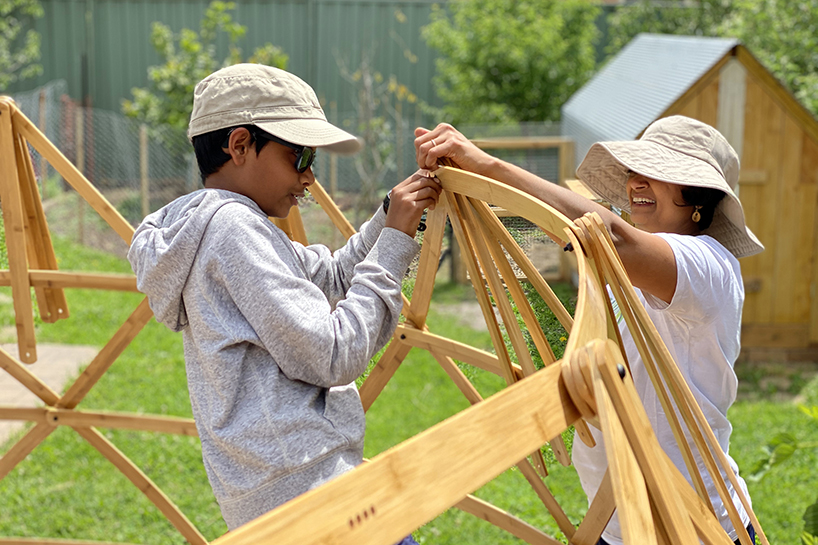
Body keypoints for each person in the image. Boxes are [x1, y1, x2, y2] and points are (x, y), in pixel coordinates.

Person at [414, 116, 763, 545]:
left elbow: (605, 235)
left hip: (695, 525)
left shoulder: (707, 264)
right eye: (637, 170)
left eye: (658, 174)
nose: (638, 182)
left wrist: (490, 167)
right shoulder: (637, 268)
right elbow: (586, 238)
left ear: (698, 198)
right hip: (619, 524)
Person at [128, 63, 440, 539]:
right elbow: (334, 353)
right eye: (300, 155)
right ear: (239, 146)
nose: (310, 176)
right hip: (311, 500)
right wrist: (397, 238)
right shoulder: (233, 231)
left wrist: (387, 215)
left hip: (285, 493)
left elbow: (331, 276)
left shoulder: (219, 225)